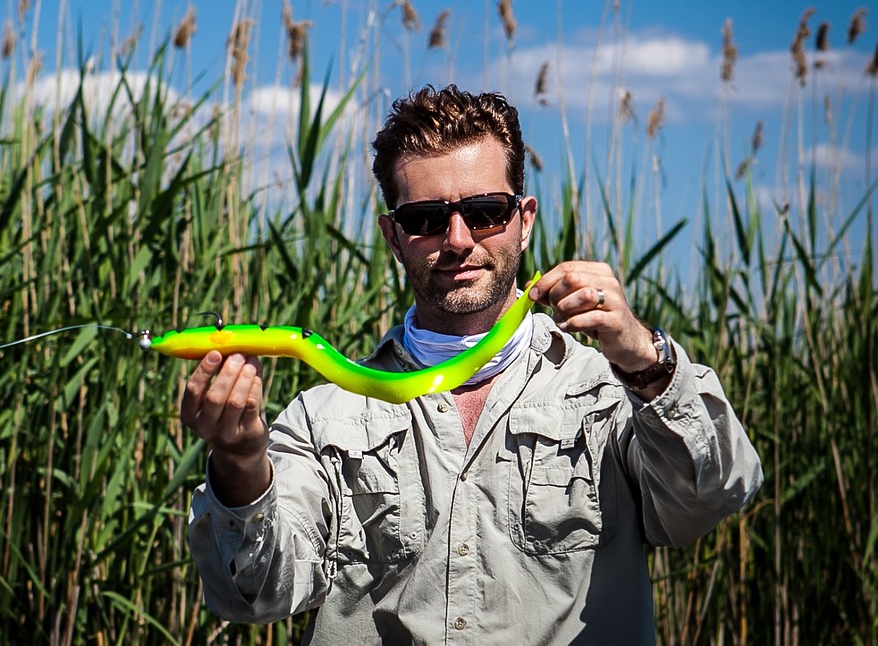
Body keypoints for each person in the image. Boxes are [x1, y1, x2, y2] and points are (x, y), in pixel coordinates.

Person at [179, 84, 762, 644]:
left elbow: (706, 501)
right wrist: (239, 461)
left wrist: (647, 362)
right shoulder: (322, 418)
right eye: (427, 219)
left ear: (524, 219)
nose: (457, 240)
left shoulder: (611, 393)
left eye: (485, 211)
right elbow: (254, 595)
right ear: (393, 235)